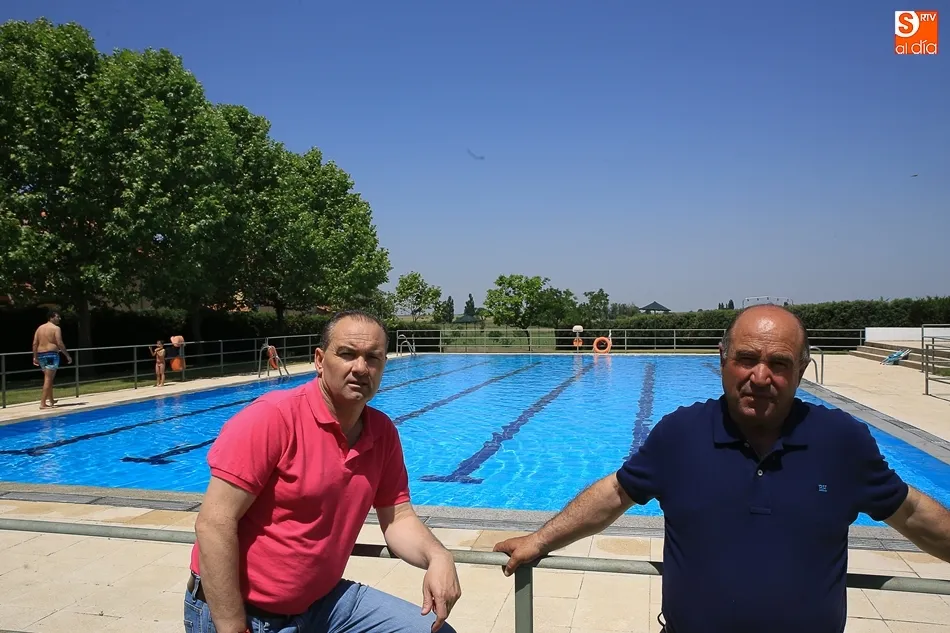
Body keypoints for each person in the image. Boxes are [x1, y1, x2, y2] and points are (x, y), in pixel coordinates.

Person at [494, 304, 950, 633]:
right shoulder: (680, 434)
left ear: (803, 370)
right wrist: (539, 540)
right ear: (722, 360)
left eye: (779, 363)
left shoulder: (841, 441)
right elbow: (615, 494)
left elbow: (909, 512)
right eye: (747, 359)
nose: (760, 376)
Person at [185, 310, 462, 633]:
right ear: (319, 360)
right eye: (347, 354)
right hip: (247, 611)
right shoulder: (273, 418)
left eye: (373, 358)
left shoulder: (382, 432)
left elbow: (398, 518)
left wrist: (439, 556)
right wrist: (232, 627)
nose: (360, 368)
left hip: (322, 603)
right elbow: (214, 523)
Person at [31, 310, 73, 410]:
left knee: (48, 378)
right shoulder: (56, 328)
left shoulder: (40, 328)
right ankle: (43, 403)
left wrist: (35, 356)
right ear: (51, 317)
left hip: (41, 355)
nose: (59, 318)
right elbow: (59, 342)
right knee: (48, 379)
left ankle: (51, 400)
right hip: (51, 355)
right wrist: (67, 355)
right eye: (57, 317)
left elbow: (35, 343)